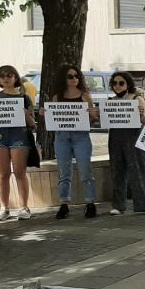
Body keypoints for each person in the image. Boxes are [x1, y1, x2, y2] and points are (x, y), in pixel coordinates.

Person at [42, 64, 98, 219]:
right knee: (64, 172)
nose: (74, 79)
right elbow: (52, 118)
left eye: (77, 76)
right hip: (62, 137)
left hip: (81, 137)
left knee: (85, 170)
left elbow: (93, 119)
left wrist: (93, 113)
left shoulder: (85, 96)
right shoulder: (57, 97)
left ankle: (90, 203)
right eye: (70, 76)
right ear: (63, 79)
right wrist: (45, 113)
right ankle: (64, 204)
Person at [0, 65, 35, 221]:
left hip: (19, 137)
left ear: (15, 78)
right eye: (2, 76)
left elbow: (32, 124)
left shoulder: (24, 97)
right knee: (3, 174)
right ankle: (4, 208)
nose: (6, 79)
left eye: (9, 75)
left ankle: (24, 207)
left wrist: (25, 114)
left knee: (20, 173)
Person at [107, 72, 145, 216]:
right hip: (115, 137)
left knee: (137, 169)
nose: (117, 86)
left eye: (121, 83)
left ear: (128, 84)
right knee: (117, 170)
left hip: (134, 137)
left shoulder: (137, 99)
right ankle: (118, 205)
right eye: (115, 83)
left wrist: (140, 114)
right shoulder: (111, 101)